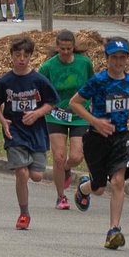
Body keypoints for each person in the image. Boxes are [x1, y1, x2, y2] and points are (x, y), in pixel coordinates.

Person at [69, 37, 129, 250]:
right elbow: (75, 103)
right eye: (114, 58)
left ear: (127, 58)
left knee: (118, 181)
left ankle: (114, 230)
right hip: (96, 138)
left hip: (121, 137)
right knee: (99, 187)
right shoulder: (98, 81)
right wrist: (95, 122)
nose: (118, 62)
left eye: (122, 58)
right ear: (106, 58)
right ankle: (83, 188)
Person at [0, 36, 59, 229]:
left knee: (36, 176)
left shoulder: (38, 80)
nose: (22, 59)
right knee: (21, 172)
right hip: (15, 132)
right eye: (18, 55)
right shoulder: (5, 81)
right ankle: (24, 214)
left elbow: (52, 102)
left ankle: (28, 163)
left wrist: (37, 113)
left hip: (36, 132)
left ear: (31, 57)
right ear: (11, 55)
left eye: (26, 55)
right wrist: (3, 121)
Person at [38, 30, 95, 210]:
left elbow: (93, 84)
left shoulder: (84, 63)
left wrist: (93, 104)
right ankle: (61, 196)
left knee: (77, 156)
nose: (65, 52)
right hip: (56, 114)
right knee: (58, 157)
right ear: (57, 47)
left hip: (79, 114)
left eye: (69, 49)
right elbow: (39, 90)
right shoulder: (48, 67)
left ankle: (67, 169)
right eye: (62, 49)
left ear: (73, 47)